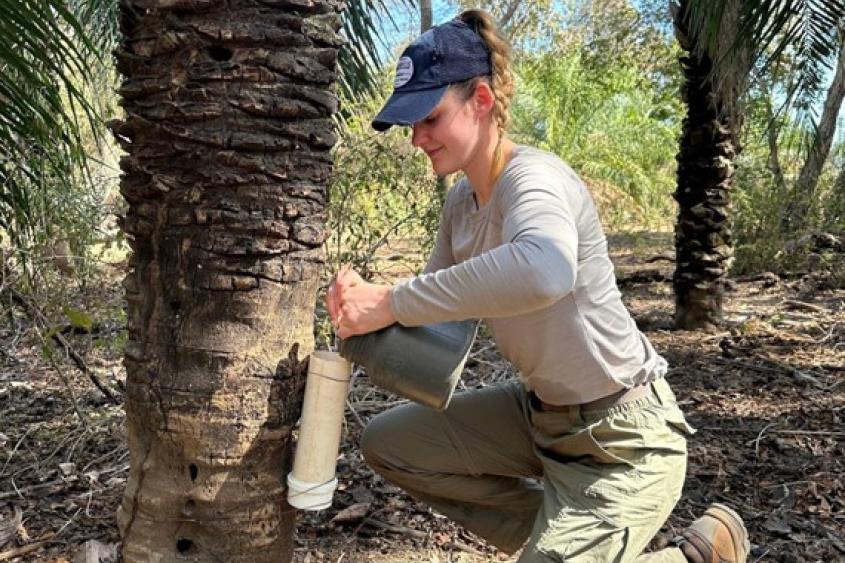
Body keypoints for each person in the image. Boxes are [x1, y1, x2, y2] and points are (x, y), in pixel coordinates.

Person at [325, 9, 750, 563]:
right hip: (539, 419)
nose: (416, 139)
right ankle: (563, 539)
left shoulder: (535, 178)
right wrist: (362, 306)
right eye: (410, 124)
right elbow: (436, 322)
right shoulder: (461, 204)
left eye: (429, 118)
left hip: (622, 439)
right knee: (390, 444)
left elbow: (545, 269)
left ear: (481, 99)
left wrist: (393, 300)